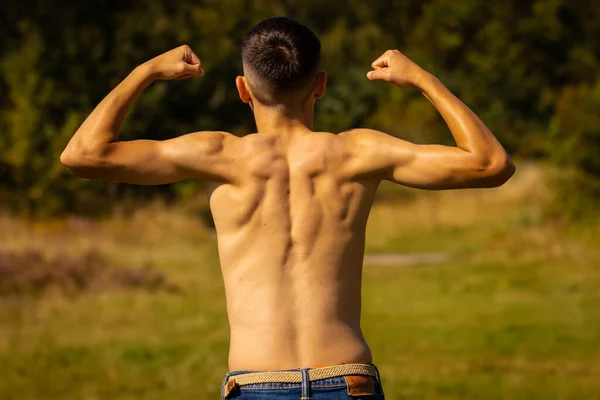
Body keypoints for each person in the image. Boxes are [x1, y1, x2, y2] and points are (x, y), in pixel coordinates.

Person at [61, 16, 515, 400]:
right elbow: (490, 163)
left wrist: (146, 71)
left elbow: (83, 155)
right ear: (320, 85)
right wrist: (421, 79)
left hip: (256, 383)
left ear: (243, 89)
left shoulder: (218, 155)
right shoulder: (358, 152)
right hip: (347, 380)